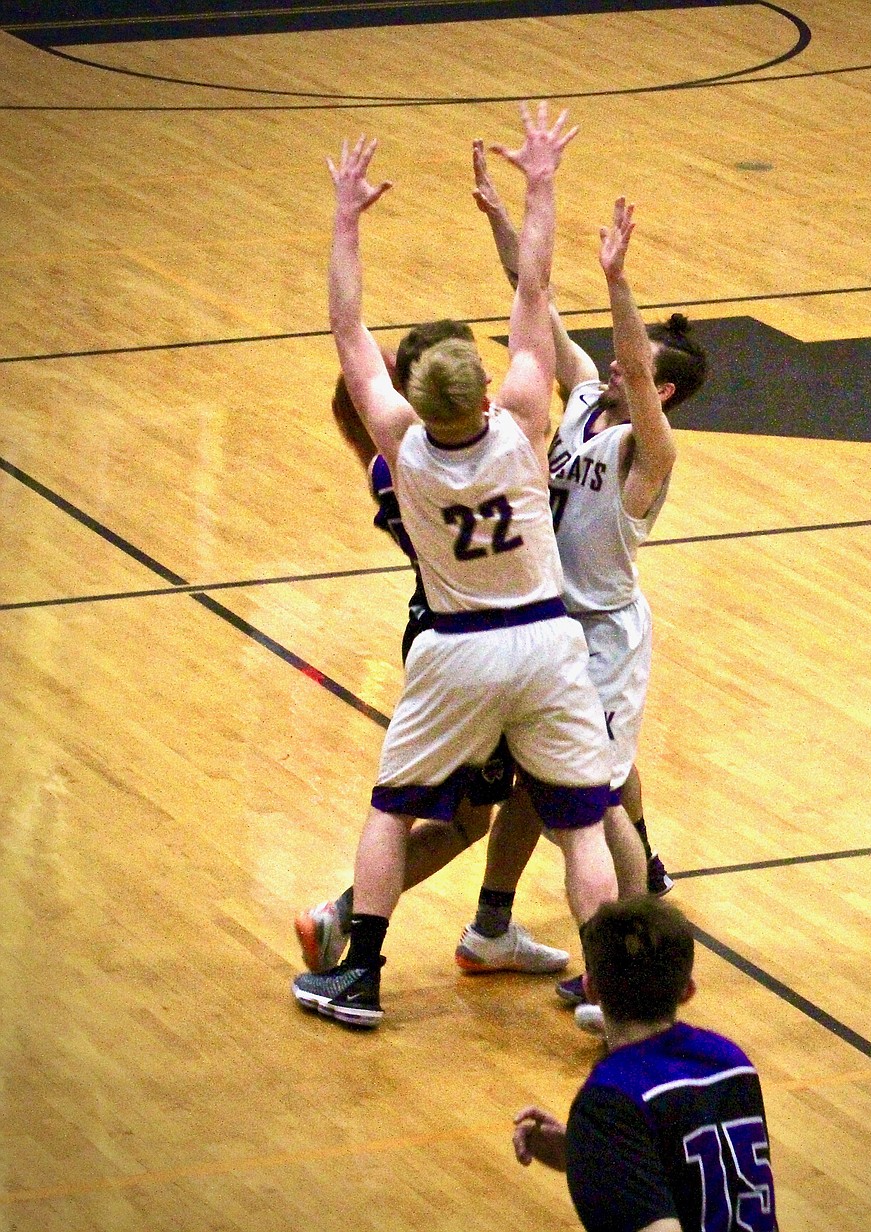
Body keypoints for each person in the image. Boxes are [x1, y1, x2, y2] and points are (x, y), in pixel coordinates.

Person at [292, 102, 618, 1028]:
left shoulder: (398, 448)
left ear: (412, 399)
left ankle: (358, 977)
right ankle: (604, 986)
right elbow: (536, 293)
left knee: (394, 809)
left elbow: (348, 330)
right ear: (486, 388)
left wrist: (348, 217)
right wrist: (540, 183)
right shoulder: (523, 418)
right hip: (548, 638)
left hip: (458, 646)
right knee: (580, 825)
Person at [470, 148, 709, 1031]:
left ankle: (630, 970)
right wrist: (503, 216)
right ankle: (501, 927)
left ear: (664, 387)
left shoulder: (651, 451)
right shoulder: (578, 402)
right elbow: (531, 298)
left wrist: (619, 278)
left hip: (604, 635)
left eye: (632, 359)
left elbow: (635, 368)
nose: (614, 362)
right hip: (550, 626)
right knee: (565, 787)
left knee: (595, 800)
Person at [293, 321, 562, 979]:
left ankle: (472, 924)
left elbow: (355, 391)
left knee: (477, 811)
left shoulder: (395, 467)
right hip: (485, 638)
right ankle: (358, 919)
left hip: (441, 631)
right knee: (502, 799)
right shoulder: (468, 459)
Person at [512, 896, 776, 1232]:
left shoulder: (611, 1100)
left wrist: (600, 1139)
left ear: (591, 989)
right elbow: (705, 1171)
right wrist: (583, 1152)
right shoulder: (731, 1062)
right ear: (687, 991)